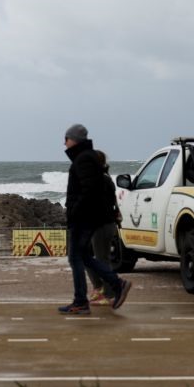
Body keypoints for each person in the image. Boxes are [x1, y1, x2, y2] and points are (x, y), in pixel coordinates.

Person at [60, 124, 132, 315]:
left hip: (83, 219)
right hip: (87, 218)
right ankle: (100, 291)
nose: (64, 143)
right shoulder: (87, 158)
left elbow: (88, 191)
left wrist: (74, 212)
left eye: (66, 138)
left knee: (76, 257)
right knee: (81, 257)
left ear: (74, 139)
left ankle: (99, 293)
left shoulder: (83, 159)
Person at [87, 150, 121, 305]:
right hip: (97, 224)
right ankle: (99, 287)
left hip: (102, 225)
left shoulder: (101, 179)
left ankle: (110, 294)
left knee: (102, 260)